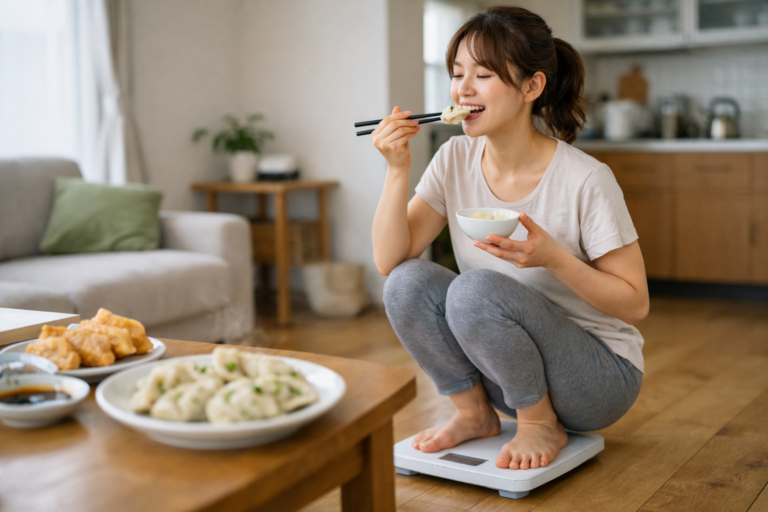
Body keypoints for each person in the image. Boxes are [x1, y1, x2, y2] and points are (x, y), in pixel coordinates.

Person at [370, 6, 648, 471]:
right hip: (505, 372)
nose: (462, 88)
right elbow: (389, 260)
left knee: (474, 288)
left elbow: (635, 304)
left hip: (597, 379)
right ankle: (474, 413)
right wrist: (397, 170)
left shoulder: (586, 179)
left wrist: (555, 258)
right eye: (457, 73)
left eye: (483, 74)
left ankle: (540, 424)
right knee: (406, 281)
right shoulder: (454, 157)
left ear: (531, 87)